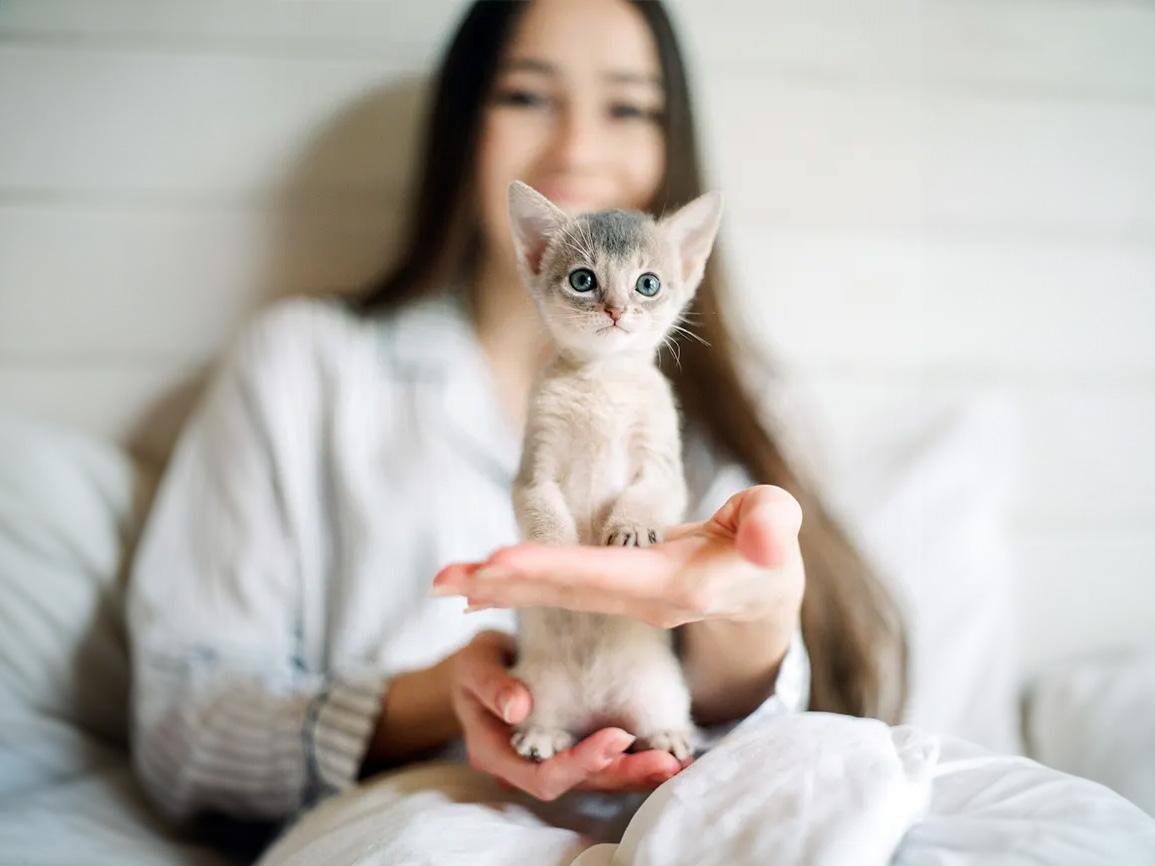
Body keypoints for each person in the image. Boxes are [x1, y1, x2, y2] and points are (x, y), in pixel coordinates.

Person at [126, 0, 907, 856]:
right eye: (528, 96)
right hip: (416, 829)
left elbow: (802, 746)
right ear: (464, 126)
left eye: (626, 106)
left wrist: (751, 632)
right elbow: (178, 731)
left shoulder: (742, 403)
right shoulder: (304, 364)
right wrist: (432, 699)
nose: (576, 148)